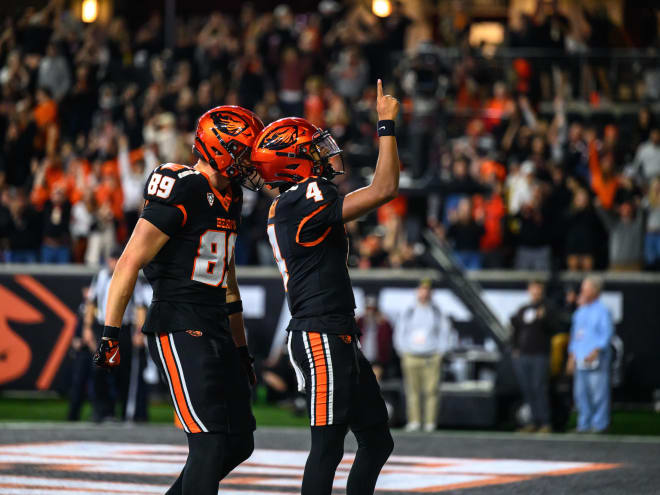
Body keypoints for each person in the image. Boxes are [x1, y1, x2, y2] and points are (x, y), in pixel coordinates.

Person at [93, 105, 263, 495]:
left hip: (216, 323)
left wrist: (241, 349)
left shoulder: (232, 196)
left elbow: (228, 282)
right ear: (220, 148)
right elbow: (129, 261)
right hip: (178, 324)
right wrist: (110, 333)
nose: (251, 159)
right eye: (244, 150)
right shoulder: (182, 186)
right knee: (208, 442)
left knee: (239, 442)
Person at [251, 80, 398, 495]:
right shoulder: (301, 199)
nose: (324, 153)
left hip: (335, 331)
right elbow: (385, 188)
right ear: (291, 161)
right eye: (313, 149)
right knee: (328, 448)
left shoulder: (293, 201)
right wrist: (386, 125)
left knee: (377, 440)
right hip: (319, 335)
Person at [82, 248, 150, 421]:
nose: (113, 263)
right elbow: (91, 303)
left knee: (124, 372)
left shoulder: (131, 276)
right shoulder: (100, 277)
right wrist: (87, 328)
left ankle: (127, 412)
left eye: (116, 259)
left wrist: (139, 331)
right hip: (102, 327)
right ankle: (102, 410)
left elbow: (140, 305)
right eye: (111, 259)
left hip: (124, 328)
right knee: (100, 369)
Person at [394, 279, 453, 432]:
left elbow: (445, 333)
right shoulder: (409, 310)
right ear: (417, 291)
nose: (424, 293)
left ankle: (430, 422)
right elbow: (400, 332)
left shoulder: (437, 311)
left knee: (431, 391)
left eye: (427, 290)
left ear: (432, 293)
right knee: (412, 391)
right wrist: (403, 351)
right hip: (411, 356)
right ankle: (414, 421)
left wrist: (440, 352)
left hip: (431, 357)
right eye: (422, 289)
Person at [566, 276, 614, 433]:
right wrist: (571, 356)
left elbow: (607, 334)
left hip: (596, 359)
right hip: (580, 357)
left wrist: (596, 350)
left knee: (598, 393)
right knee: (581, 394)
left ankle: (600, 425)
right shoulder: (580, 312)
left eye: (586, 288)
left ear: (595, 290)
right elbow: (575, 335)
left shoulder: (603, 311)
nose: (582, 291)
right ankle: (584, 424)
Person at [510, 280, 557, 433]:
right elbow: (515, 329)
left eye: (539, 289)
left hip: (540, 355)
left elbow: (554, 328)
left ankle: (545, 422)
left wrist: (544, 318)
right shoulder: (523, 309)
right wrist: (515, 348)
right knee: (527, 389)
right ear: (529, 290)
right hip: (523, 356)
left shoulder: (548, 308)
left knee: (539, 388)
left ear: (542, 291)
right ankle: (532, 421)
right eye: (533, 289)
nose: (536, 292)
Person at [356, 295, 394, 382]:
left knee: (375, 382)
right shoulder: (360, 322)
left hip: (377, 359)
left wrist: (384, 323)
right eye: (368, 309)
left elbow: (389, 337)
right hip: (361, 358)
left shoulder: (383, 324)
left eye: (373, 309)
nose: (370, 312)